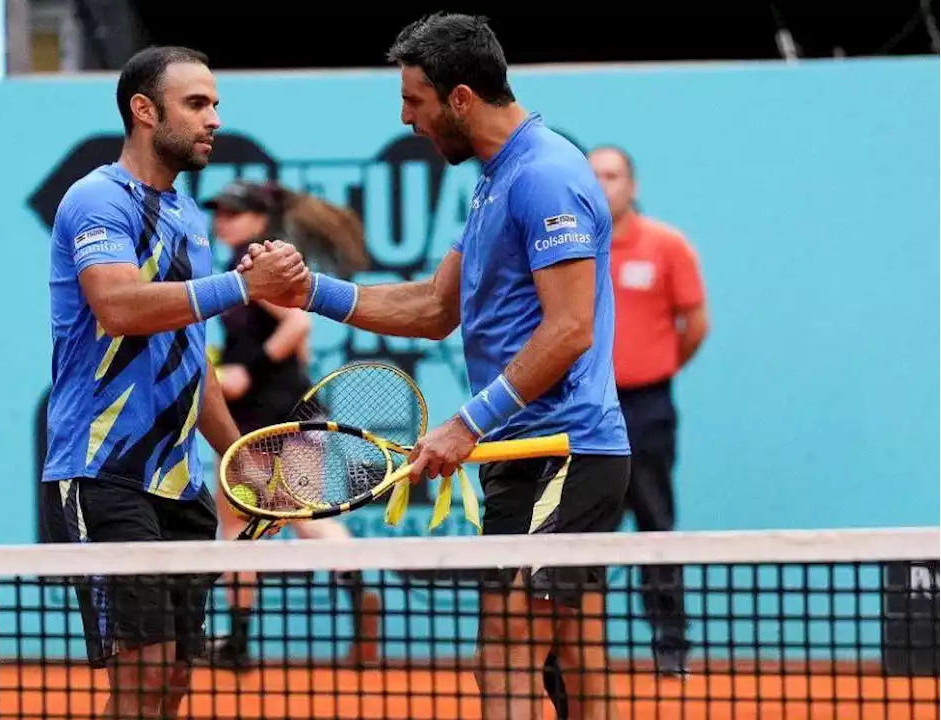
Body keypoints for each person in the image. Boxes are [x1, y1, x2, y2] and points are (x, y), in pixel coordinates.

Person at [238, 13, 630, 719]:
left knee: (507, 649)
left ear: (459, 99)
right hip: (522, 452)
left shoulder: (544, 175)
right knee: (573, 648)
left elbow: (570, 330)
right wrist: (309, 293)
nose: (405, 117)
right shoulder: (495, 181)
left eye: (414, 100)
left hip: (568, 450)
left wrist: (465, 423)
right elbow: (432, 308)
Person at [38, 45, 309, 719]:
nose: (213, 118)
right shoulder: (97, 200)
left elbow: (192, 359)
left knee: (175, 680)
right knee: (143, 673)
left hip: (178, 483)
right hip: (103, 471)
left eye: (215, 104)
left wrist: (243, 464)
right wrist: (244, 284)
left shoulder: (189, 218)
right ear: (144, 110)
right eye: (197, 104)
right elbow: (119, 308)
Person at [199, 179, 381, 669]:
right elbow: (296, 339)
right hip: (279, 411)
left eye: (234, 213)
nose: (223, 221)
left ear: (260, 219)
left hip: (272, 414)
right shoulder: (256, 265)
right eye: (219, 212)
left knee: (264, 520)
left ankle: (237, 643)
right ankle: (240, 641)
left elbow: (299, 326)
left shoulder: (254, 266)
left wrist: (245, 371)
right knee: (254, 521)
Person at [589, 144, 710, 675]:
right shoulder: (570, 249)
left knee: (656, 524)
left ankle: (671, 646)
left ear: (632, 186)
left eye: (612, 175)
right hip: (585, 411)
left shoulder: (667, 246)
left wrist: (653, 369)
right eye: (593, 176)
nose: (603, 184)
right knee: (586, 531)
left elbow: (695, 326)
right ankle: (582, 647)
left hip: (647, 408)